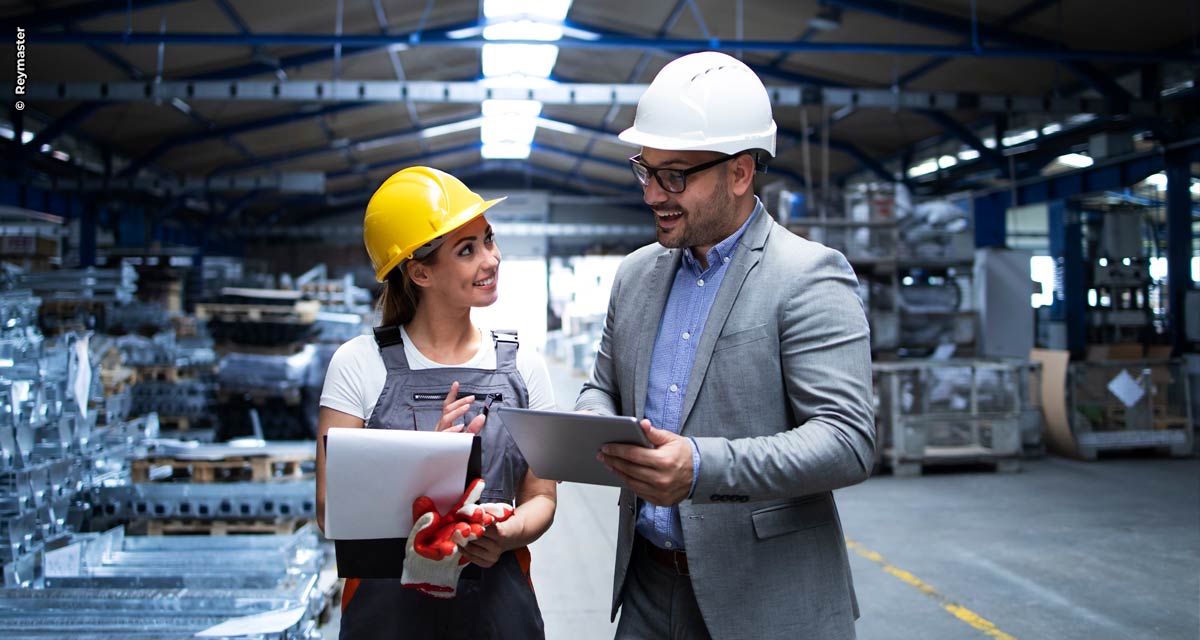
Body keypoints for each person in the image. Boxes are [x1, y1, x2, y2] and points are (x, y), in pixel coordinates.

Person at [576, 51, 875, 639]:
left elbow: (846, 440)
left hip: (764, 597)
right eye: (646, 170)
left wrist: (702, 467)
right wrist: (594, 430)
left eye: (675, 176)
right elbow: (601, 386)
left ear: (739, 173)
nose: (652, 195)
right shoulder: (636, 277)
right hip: (646, 589)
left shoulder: (808, 276)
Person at [316, 166, 557, 639]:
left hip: (497, 609)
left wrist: (506, 534)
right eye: (467, 250)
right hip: (387, 614)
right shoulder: (358, 364)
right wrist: (424, 465)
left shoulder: (523, 366)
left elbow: (541, 497)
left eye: (488, 240)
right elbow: (330, 510)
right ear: (420, 271)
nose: (491, 259)